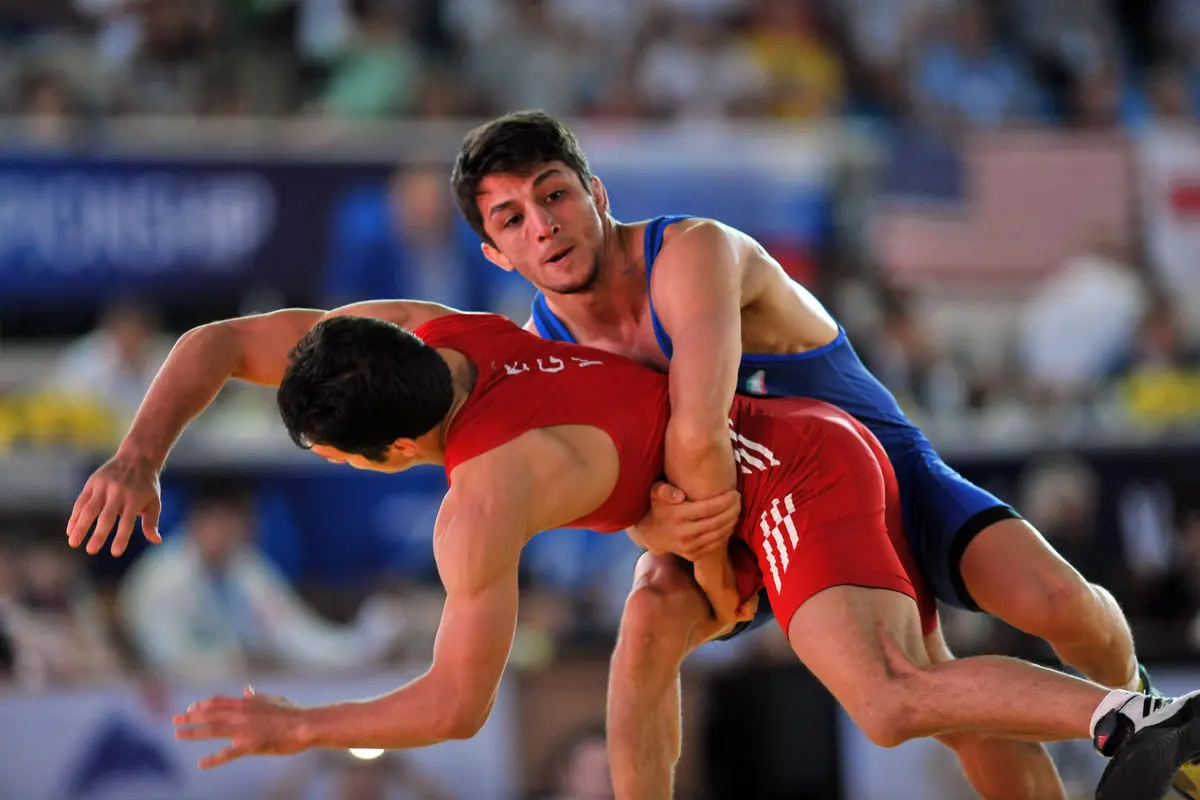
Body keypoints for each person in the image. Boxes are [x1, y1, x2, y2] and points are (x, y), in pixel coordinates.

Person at [65, 303, 1200, 800]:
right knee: (644, 638)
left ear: (396, 452)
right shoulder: (426, 333)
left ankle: (1136, 716)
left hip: (784, 469)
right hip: (727, 495)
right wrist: (136, 454)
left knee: (894, 696)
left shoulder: (481, 498)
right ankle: (1122, 715)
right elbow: (219, 340)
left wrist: (301, 725)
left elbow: (455, 705)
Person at [449, 110, 1181, 798]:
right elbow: (621, 496)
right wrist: (657, 528)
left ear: (595, 193)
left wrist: (702, 561)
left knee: (1054, 607)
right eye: (512, 219)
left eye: (554, 196)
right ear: (495, 254)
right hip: (751, 519)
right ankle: (1146, 721)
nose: (543, 226)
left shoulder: (691, 253)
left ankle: (1156, 721)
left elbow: (697, 438)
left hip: (874, 471)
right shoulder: (549, 355)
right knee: (646, 627)